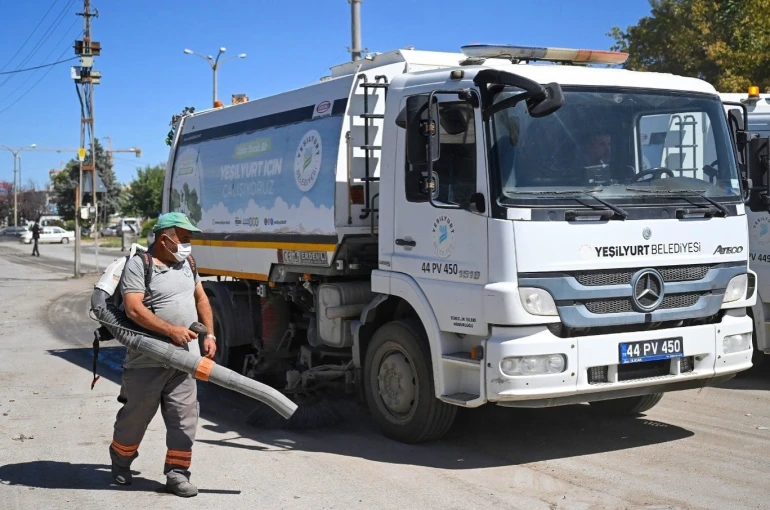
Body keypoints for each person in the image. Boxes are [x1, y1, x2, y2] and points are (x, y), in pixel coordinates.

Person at [109, 212, 216, 498]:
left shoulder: (187, 264)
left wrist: (211, 335)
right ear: (164, 238)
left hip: (184, 360)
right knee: (135, 420)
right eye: (183, 239)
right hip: (147, 360)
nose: (188, 244)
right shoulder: (139, 265)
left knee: (185, 420)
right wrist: (171, 330)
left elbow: (201, 298)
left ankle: (178, 475)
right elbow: (133, 309)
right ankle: (121, 461)